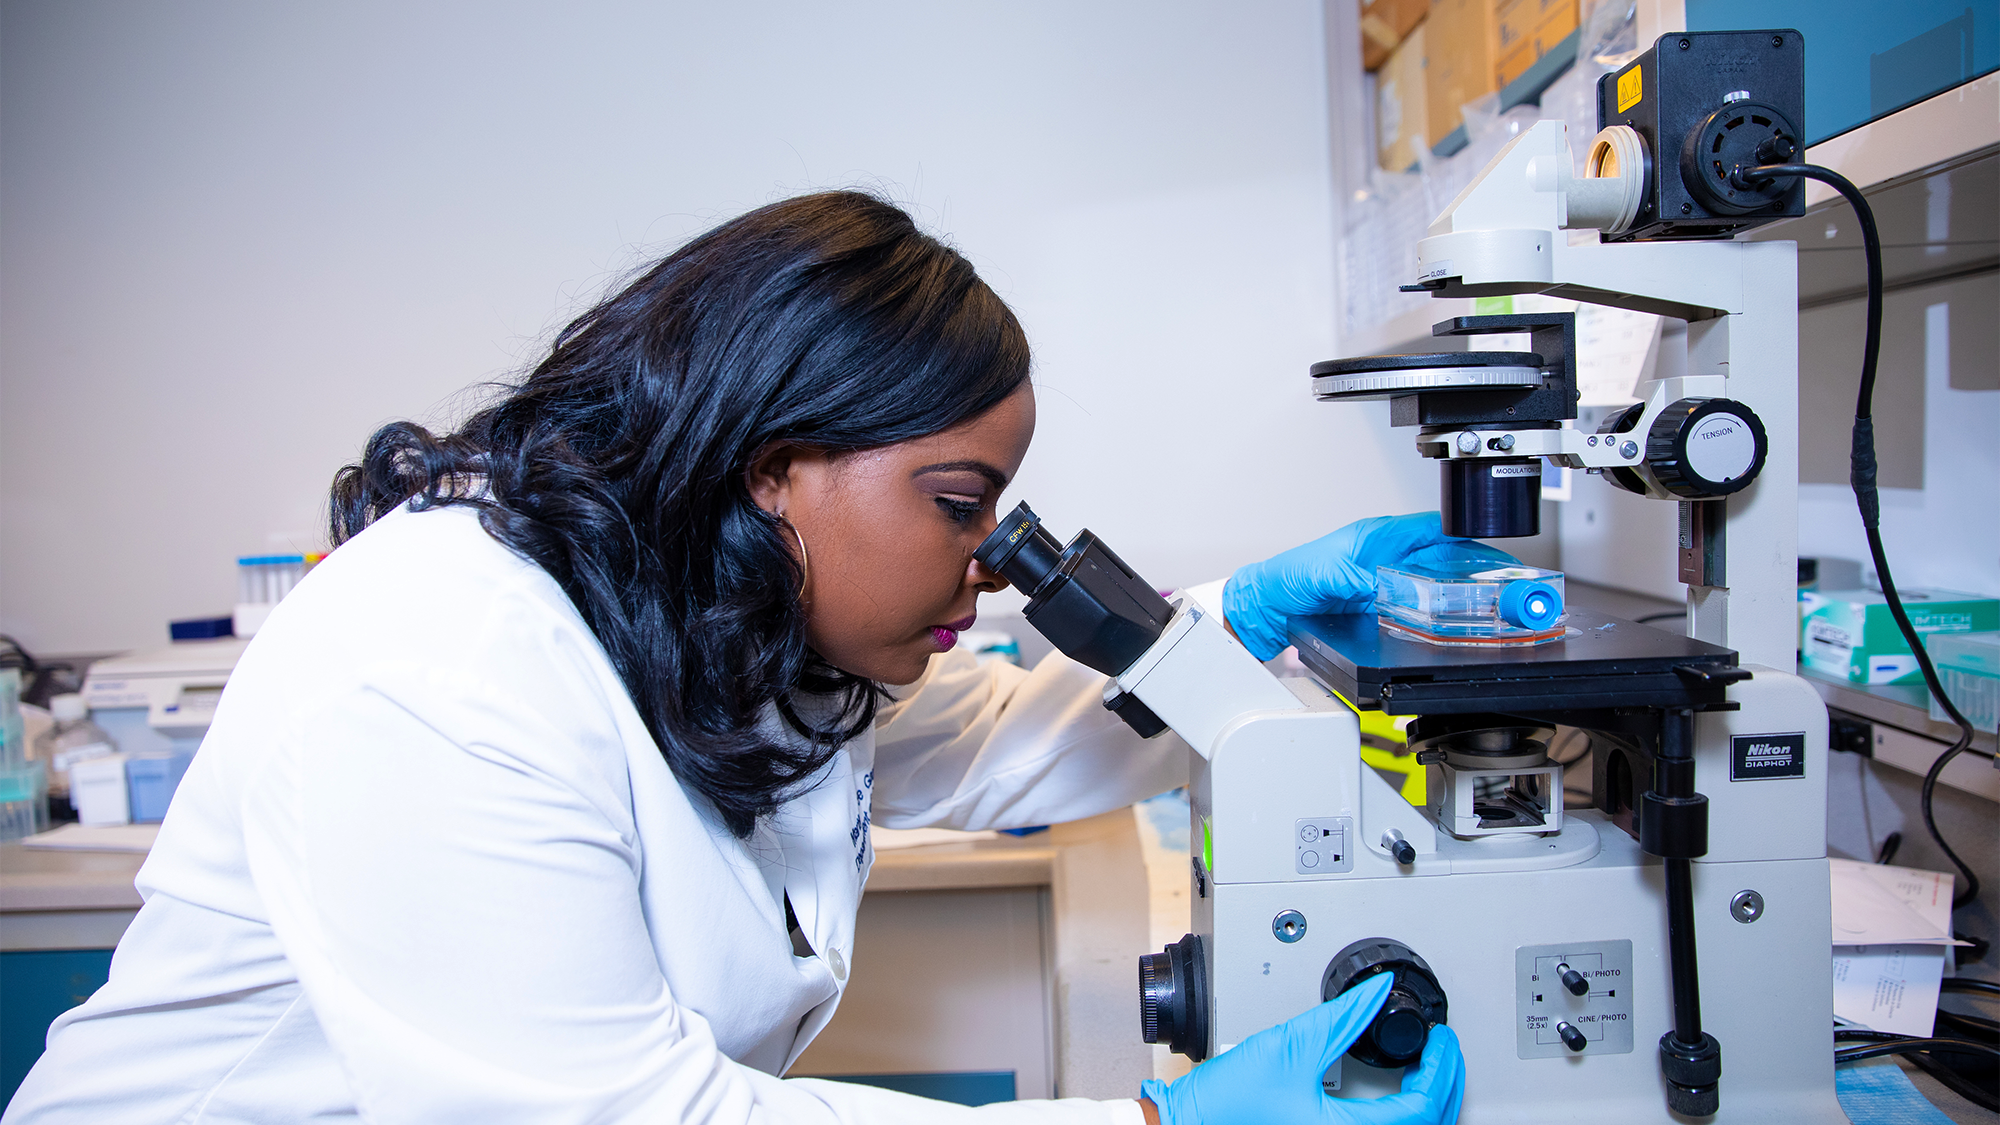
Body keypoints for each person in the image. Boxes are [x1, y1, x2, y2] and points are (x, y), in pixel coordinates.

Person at [4, 192, 1481, 1125]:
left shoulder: (727, 622)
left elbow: (1013, 739)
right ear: (776, 467)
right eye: (958, 506)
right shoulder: (442, 661)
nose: (983, 558)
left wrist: (1251, 620)